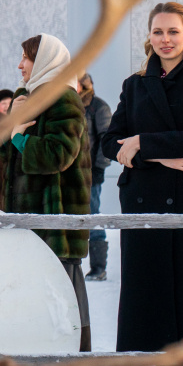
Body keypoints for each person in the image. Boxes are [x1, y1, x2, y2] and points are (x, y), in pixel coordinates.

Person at [101, 2, 183, 366]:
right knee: (150, 296)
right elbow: (107, 143)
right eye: (157, 32)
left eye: (172, 31)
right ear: (148, 37)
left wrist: (140, 144)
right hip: (143, 201)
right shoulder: (135, 85)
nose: (165, 39)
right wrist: (161, 153)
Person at [0, 33, 92, 366]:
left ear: (47, 60)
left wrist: (20, 139)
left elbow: (58, 155)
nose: (20, 65)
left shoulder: (64, 98)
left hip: (56, 226)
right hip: (30, 225)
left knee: (66, 311)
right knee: (37, 309)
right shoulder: (32, 98)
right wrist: (13, 122)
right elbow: (5, 154)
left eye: (26, 58)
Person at [77, 72, 112, 281]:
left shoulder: (98, 106)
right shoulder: (70, 105)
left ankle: (98, 267)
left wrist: (99, 168)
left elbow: (106, 138)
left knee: (93, 215)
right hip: (71, 172)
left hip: (91, 172)